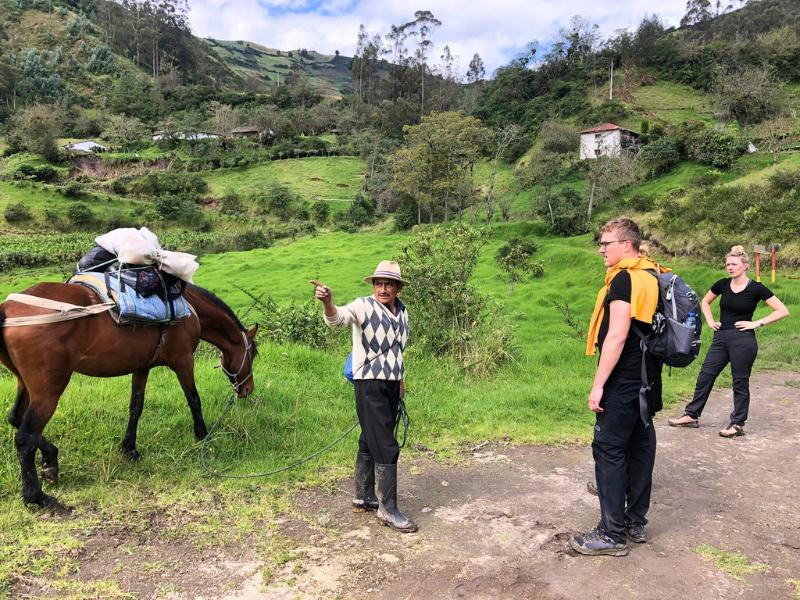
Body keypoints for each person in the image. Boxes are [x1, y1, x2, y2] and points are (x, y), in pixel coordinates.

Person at [570, 217, 664, 557]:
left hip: (624, 381)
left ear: (627, 245)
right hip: (649, 379)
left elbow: (618, 333)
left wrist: (598, 385)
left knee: (609, 449)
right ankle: (635, 521)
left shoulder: (624, 278)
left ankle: (611, 534)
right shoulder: (654, 275)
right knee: (640, 446)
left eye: (606, 243)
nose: (601, 249)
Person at [312, 260, 417, 533]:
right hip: (369, 384)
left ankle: (364, 496)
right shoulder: (363, 306)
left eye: (389, 284)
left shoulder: (402, 313)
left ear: (397, 288)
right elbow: (337, 319)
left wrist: (400, 381)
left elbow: (398, 351)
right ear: (373, 285)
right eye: (379, 283)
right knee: (386, 444)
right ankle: (388, 509)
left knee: (371, 437)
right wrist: (328, 302)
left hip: (391, 384)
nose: (383, 288)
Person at [668, 245, 789, 437]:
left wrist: (757, 323)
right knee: (705, 375)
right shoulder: (722, 284)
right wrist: (709, 321)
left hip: (743, 339)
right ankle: (692, 415)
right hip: (721, 337)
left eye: (734, 264)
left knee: (739, 381)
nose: (730, 267)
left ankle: (737, 424)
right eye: (727, 264)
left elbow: (783, 310)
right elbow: (705, 302)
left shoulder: (756, 288)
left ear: (745, 266)